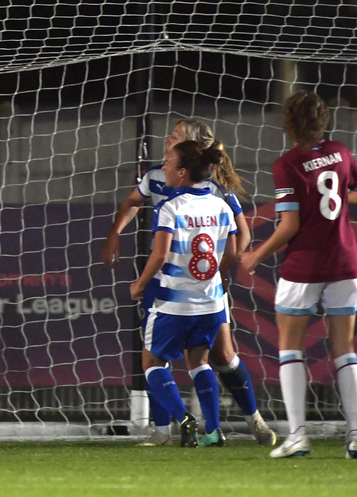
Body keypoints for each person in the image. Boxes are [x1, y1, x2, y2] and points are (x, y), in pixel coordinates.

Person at [101, 119, 275, 447]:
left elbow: (243, 236)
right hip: (174, 280)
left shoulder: (210, 191)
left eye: (176, 137)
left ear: (189, 155)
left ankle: (251, 419)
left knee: (219, 355)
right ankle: (169, 432)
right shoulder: (156, 176)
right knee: (178, 355)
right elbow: (131, 204)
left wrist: (219, 272)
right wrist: (115, 233)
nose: (167, 140)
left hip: (193, 282)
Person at [239, 91, 357, 460]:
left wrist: (255, 256)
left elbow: (290, 224)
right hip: (346, 261)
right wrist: (338, 201)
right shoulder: (342, 152)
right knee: (344, 349)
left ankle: (298, 435)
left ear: (289, 123)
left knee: (289, 346)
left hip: (306, 265)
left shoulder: (288, 163)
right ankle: (356, 435)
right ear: (323, 120)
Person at [130, 140, 238, 448]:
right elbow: (231, 251)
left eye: (168, 162)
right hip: (211, 300)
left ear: (182, 172)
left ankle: (183, 419)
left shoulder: (170, 207)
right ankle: (214, 431)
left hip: (174, 302)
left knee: (152, 361)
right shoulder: (220, 205)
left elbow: (160, 254)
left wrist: (140, 284)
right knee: (200, 362)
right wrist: (209, 276)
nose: (163, 167)